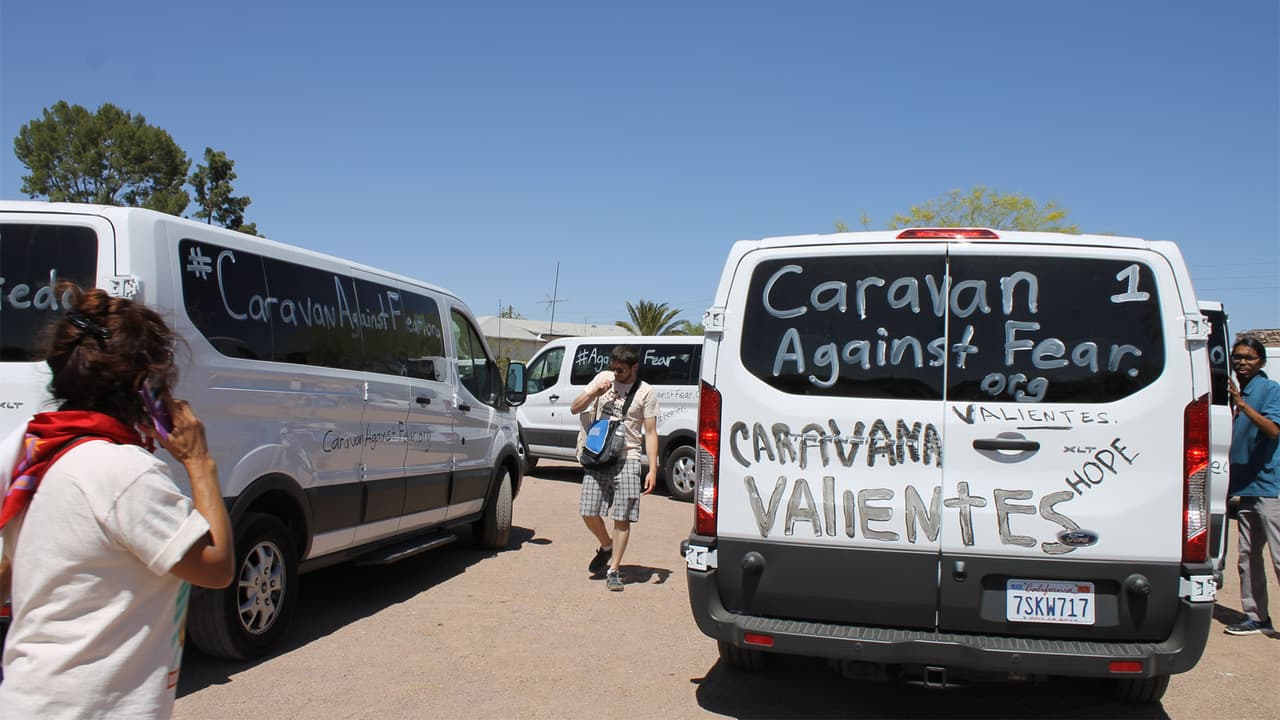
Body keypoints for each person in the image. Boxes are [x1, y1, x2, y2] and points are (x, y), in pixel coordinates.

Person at [0, 287, 235, 718]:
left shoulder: (30, 448)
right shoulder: (123, 473)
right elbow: (216, 566)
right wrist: (199, 462)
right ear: (145, 385)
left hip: (28, 697)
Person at [571, 345, 659, 592]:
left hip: (628, 457)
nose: (616, 373)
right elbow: (574, 407)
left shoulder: (646, 392)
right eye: (613, 367)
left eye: (621, 370)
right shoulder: (603, 379)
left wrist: (652, 468)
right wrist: (594, 393)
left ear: (634, 367)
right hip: (599, 455)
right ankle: (606, 545)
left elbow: (651, 433)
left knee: (622, 517)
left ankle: (614, 569)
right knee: (587, 510)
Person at [1224, 337, 1280, 636]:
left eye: (1249, 358)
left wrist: (1243, 406)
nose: (1242, 362)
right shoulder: (1235, 391)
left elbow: (1272, 430)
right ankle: (1257, 617)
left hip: (1271, 486)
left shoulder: (1269, 390)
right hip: (1247, 487)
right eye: (1238, 357)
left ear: (1261, 361)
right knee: (1247, 555)